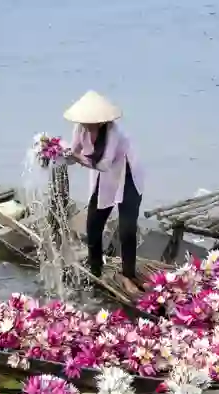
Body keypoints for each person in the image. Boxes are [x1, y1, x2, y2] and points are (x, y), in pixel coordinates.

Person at [63, 90, 144, 295]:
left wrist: (77, 157)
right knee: (93, 225)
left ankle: (128, 275)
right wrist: (57, 153)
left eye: (92, 122)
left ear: (101, 121)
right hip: (104, 178)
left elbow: (104, 164)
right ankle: (96, 270)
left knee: (127, 228)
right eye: (85, 121)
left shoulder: (113, 132)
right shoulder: (79, 129)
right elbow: (73, 154)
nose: (87, 125)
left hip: (127, 174)